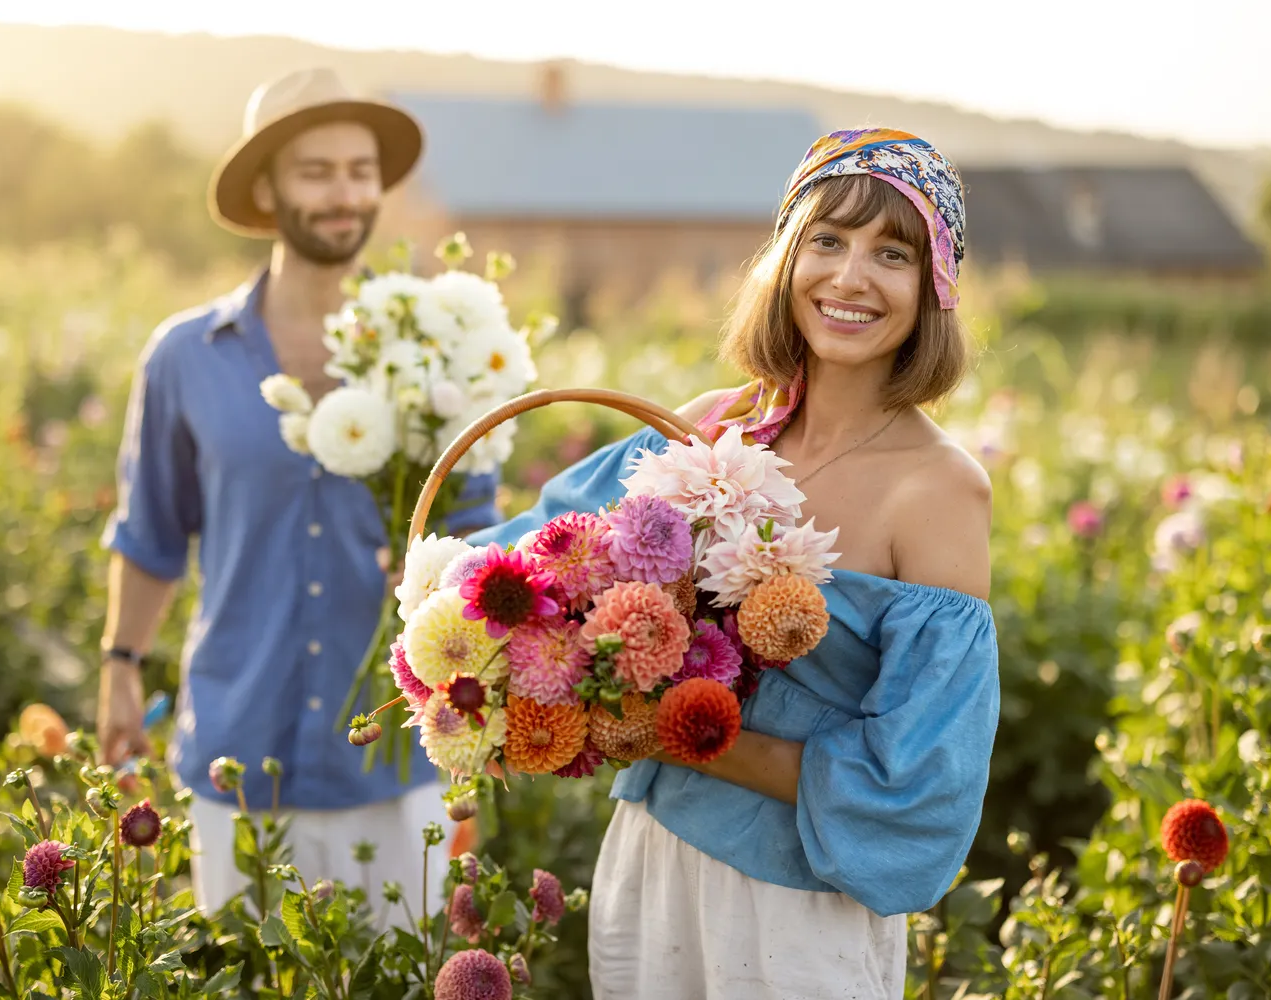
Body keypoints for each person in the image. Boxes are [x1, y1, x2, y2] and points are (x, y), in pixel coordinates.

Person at [468, 128, 998, 999]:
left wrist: (677, 724)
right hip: (653, 861)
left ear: (933, 286)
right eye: (826, 240)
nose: (850, 277)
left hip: (797, 912)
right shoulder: (711, 427)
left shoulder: (939, 489)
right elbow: (537, 555)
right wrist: (465, 628)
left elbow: (920, 788)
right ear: (787, 257)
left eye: (891, 252)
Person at [97, 67, 499, 918]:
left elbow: (477, 542)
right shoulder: (187, 357)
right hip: (238, 750)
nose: (343, 193)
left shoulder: (438, 355)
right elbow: (151, 533)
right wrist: (120, 664)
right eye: (316, 171)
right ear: (270, 186)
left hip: (392, 755)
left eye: (359, 170)